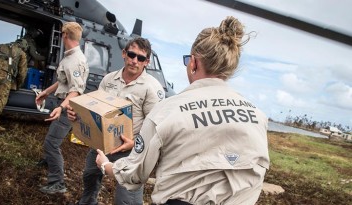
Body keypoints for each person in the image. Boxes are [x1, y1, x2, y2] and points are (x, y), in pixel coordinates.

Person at [96, 16, 270, 205]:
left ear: (193, 63)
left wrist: (106, 166)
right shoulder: (258, 116)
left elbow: (135, 173)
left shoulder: (167, 111)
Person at [67, 37, 165, 205]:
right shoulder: (109, 79)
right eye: (132, 55)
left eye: (140, 58)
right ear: (124, 54)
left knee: (127, 199)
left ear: (147, 62)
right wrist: (77, 115)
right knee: (89, 177)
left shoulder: (152, 88)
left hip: (131, 152)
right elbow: (95, 109)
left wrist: (134, 144)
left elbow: (157, 128)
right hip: (102, 144)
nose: (135, 61)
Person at [35, 21, 89, 194]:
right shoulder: (70, 57)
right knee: (52, 140)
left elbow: (76, 90)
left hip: (69, 107)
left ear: (65, 35)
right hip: (64, 104)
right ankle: (49, 161)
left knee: (51, 144)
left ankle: (57, 182)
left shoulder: (75, 60)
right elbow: (62, 81)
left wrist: (62, 108)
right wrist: (46, 92)